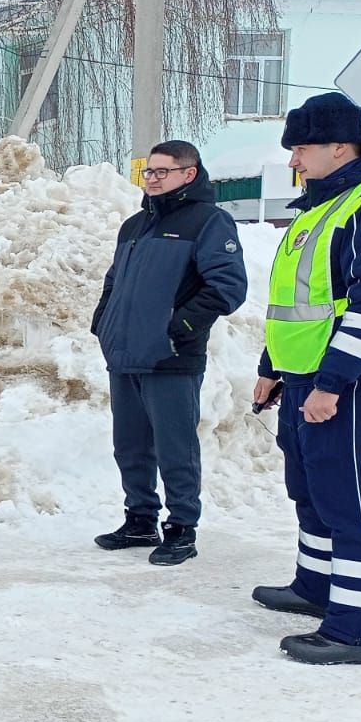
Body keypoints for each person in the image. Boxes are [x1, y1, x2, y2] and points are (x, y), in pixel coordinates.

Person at [251, 93, 361, 666]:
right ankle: (316, 587)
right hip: (304, 376)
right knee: (313, 493)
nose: (294, 158)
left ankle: (359, 628)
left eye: (301, 146)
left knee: (349, 498)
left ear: (340, 148)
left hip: (347, 380)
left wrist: (332, 384)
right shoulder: (322, 205)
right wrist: (271, 369)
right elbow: (298, 304)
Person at [90, 140, 247, 566]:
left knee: (175, 449)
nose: (153, 178)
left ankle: (181, 528)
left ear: (189, 174)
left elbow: (227, 288)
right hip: (125, 354)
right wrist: (102, 322)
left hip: (171, 358)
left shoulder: (208, 222)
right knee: (130, 446)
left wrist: (178, 329)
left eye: (163, 171)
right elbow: (113, 281)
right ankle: (140, 519)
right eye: (149, 172)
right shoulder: (135, 225)